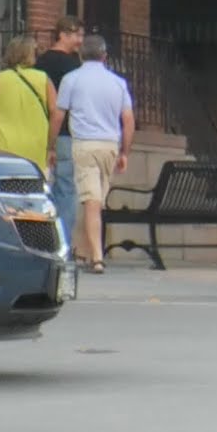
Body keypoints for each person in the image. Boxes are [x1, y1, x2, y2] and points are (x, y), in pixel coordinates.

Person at [49, 34, 135, 274]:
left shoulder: (71, 79)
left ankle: (96, 258)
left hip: (84, 145)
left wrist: (51, 146)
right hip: (109, 145)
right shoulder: (118, 83)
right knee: (95, 202)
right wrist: (124, 152)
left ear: (80, 55)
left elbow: (58, 115)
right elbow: (128, 120)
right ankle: (89, 253)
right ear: (105, 56)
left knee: (91, 203)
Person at [0, 35, 56, 170]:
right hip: (36, 145)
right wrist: (51, 144)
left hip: (5, 145)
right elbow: (55, 111)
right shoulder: (44, 79)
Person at [34, 16, 85, 253]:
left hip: (40, 131)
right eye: (76, 35)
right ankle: (63, 243)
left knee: (42, 188)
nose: (80, 40)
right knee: (66, 188)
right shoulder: (74, 68)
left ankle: (42, 240)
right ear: (62, 34)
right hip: (66, 133)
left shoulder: (39, 63)